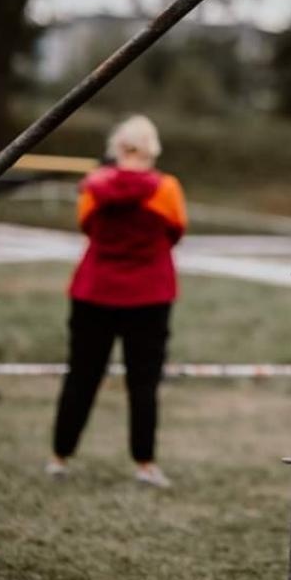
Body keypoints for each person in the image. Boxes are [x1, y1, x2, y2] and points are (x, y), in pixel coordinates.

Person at [46, 115, 187, 486]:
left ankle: (59, 456)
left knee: (81, 375)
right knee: (144, 382)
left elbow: (87, 226)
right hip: (150, 293)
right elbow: (175, 232)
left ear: (118, 148)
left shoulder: (92, 186)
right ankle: (145, 463)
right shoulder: (167, 189)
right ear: (150, 149)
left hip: (94, 289)